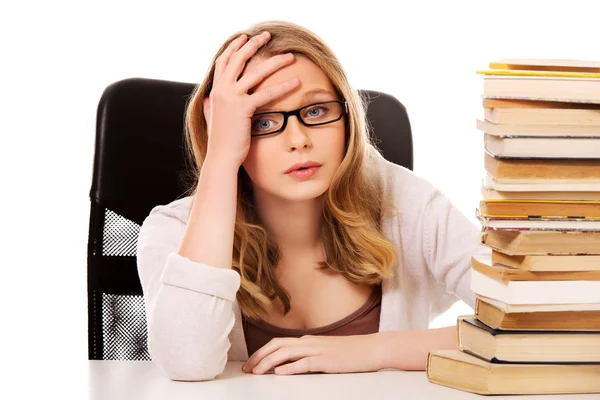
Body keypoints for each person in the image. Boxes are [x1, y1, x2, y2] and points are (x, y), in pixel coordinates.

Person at [136, 20, 490, 382]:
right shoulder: (172, 231)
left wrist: (371, 350)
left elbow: (537, 325)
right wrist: (221, 159)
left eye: (317, 111)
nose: (298, 139)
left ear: (347, 116)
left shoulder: (406, 203)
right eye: (262, 121)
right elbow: (187, 363)